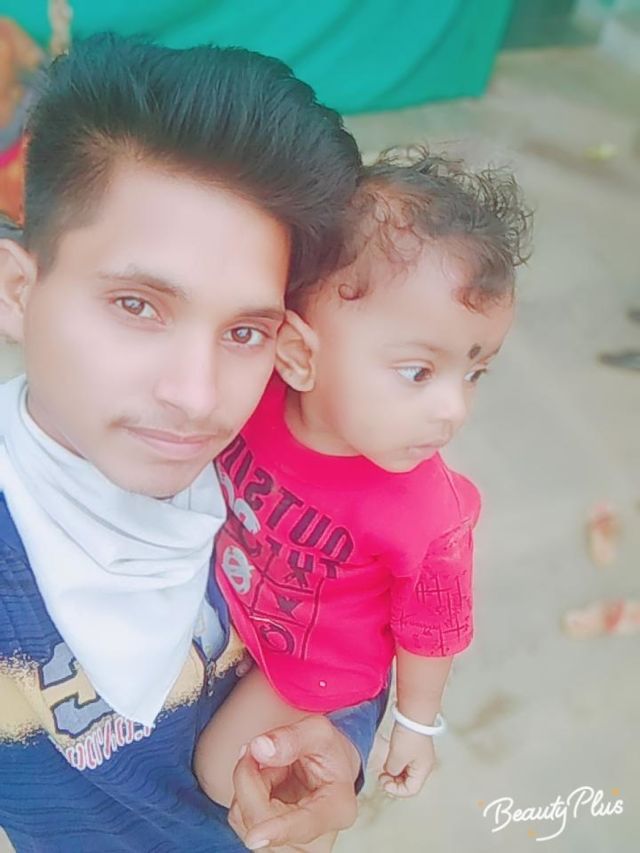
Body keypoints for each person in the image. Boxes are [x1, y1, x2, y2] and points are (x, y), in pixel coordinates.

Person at [0, 33, 387, 853]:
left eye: (245, 331)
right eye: (138, 305)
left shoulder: (298, 486)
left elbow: (354, 627)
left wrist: (338, 744)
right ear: (17, 290)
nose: (198, 397)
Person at [194, 151, 532, 819]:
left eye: (473, 374)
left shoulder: (428, 515)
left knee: (220, 774)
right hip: (229, 591)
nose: (453, 410)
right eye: (418, 372)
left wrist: (416, 724)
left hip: (315, 666)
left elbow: (430, 631)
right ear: (298, 353)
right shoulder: (252, 397)